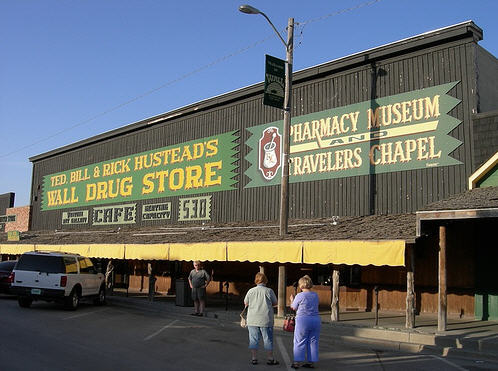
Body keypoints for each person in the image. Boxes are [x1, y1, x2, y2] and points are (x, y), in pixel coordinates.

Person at [243, 272, 279, 366]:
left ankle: (254, 358)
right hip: (266, 319)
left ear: (256, 280)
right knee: (268, 339)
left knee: (253, 339)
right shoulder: (269, 291)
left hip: (252, 319)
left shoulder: (250, 291)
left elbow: (246, 303)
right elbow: (275, 303)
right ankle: (270, 358)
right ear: (265, 280)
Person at [290, 275, 321, 369]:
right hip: (315, 319)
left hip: (303, 320)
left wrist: (292, 300)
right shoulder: (315, 295)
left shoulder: (300, 295)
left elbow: (293, 307)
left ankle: (297, 362)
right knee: (313, 341)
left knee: (299, 340)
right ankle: (312, 362)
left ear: (301, 285)